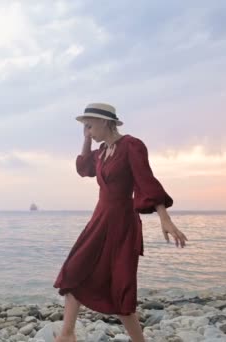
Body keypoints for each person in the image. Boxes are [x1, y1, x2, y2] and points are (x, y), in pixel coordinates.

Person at [53, 103, 188, 342]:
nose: (88, 131)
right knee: (75, 270)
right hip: (99, 219)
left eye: (90, 125)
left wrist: (164, 218)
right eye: (85, 127)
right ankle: (67, 334)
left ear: (105, 122)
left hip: (122, 223)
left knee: (120, 285)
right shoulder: (101, 152)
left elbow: (146, 181)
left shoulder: (131, 146)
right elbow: (84, 169)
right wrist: (86, 139)